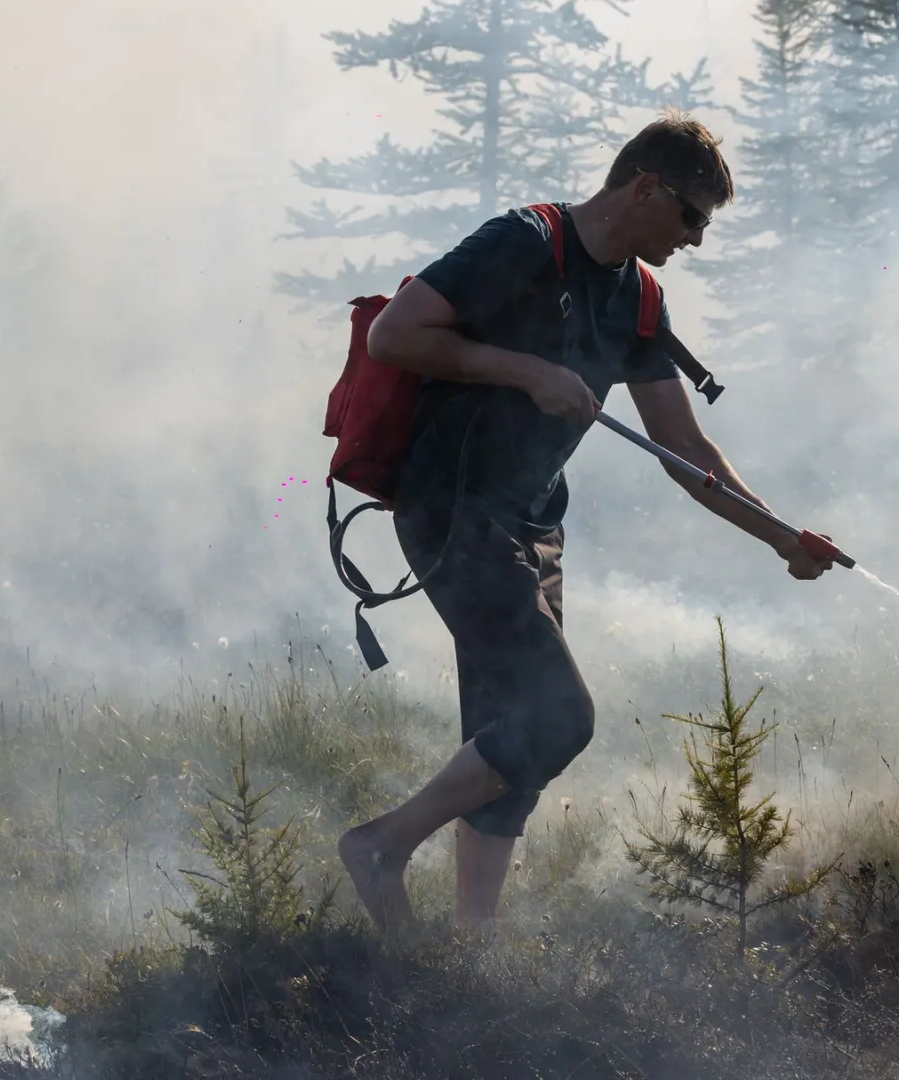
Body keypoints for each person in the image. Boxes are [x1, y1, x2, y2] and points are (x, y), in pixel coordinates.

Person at [337, 109, 836, 936]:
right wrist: (525, 369)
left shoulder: (638, 298)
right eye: (691, 216)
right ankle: (381, 847)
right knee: (558, 718)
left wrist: (782, 535)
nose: (697, 239)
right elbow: (394, 335)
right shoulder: (524, 242)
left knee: (509, 747)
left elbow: (683, 445)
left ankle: (468, 951)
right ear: (645, 187)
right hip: (452, 506)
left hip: (534, 526)